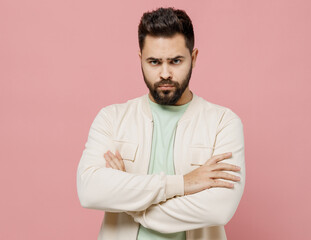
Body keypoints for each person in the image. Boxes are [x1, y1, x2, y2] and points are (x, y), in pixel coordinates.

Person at [76, 7, 245, 240]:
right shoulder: (112, 118)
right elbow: (89, 191)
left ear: (193, 58)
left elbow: (219, 209)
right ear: (141, 60)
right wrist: (184, 184)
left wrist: (131, 203)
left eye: (175, 61)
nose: (165, 73)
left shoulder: (223, 123)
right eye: (154, 62)